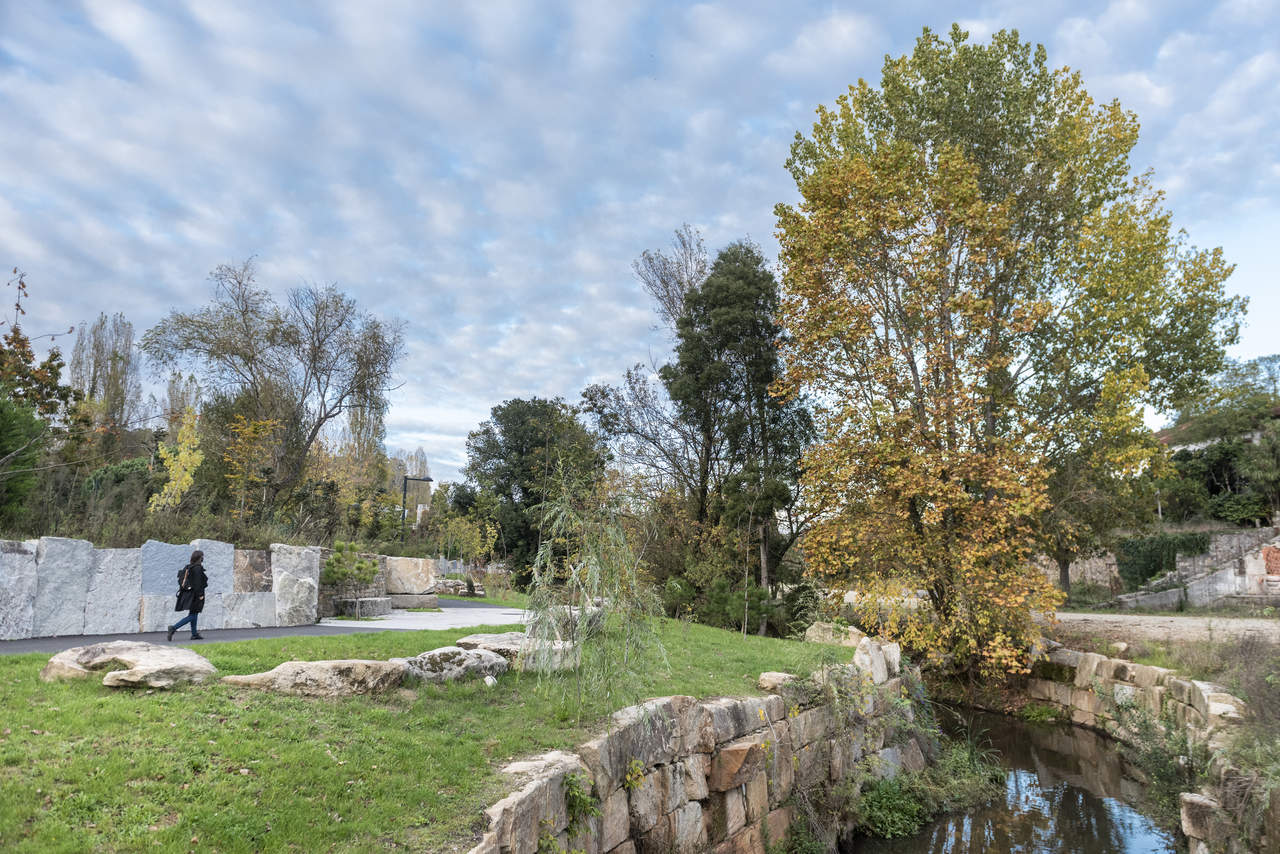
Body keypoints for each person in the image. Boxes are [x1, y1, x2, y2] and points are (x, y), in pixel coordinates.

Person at [167, 550, 208, 641]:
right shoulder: (197, 568)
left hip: (190, 594)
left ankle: (194, 634)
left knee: (194, 613)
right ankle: (173, 628)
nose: (203, 558)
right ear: (199, 557)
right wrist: (200, 595)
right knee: (192, 616)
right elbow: (198, 584)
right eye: (202, 556)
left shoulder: (190, 567)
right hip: (195, 595)